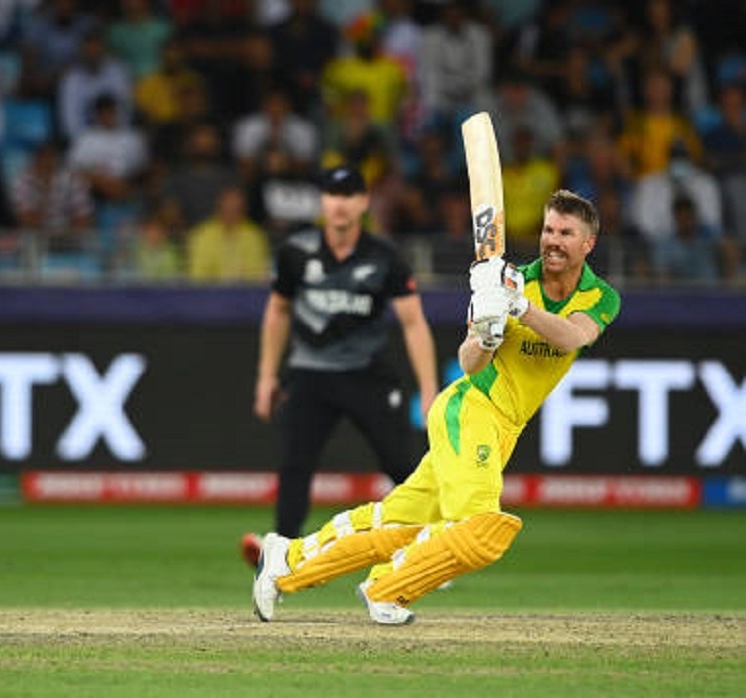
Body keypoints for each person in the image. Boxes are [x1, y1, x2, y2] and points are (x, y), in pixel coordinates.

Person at [252, 190, 621, 625]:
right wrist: (487, 331)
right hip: (471, 410)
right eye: (548, 229)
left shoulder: (598, 297)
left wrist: (519, 307)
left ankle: (286, 559)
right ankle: (389, 587)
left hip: (506, 427)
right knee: (482, 529)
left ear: (587, 244)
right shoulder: (505, 281)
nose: (553, 240)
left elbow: (572, 337)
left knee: (392, 523)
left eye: (566, 233)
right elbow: (469, 361)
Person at [242, 165, 439, 567]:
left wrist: (430, 387)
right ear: (322, 202)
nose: (340, 204)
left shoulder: (385, 257)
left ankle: (433, 549)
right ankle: (280, 555)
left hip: (366, 372)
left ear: (364, 203)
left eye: (350, 195)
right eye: (333, 195)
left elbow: (414, 323)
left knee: (402, 465)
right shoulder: (296, 252)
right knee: (295, 464)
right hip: (309, 373)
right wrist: (266, 377)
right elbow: (277, 312)